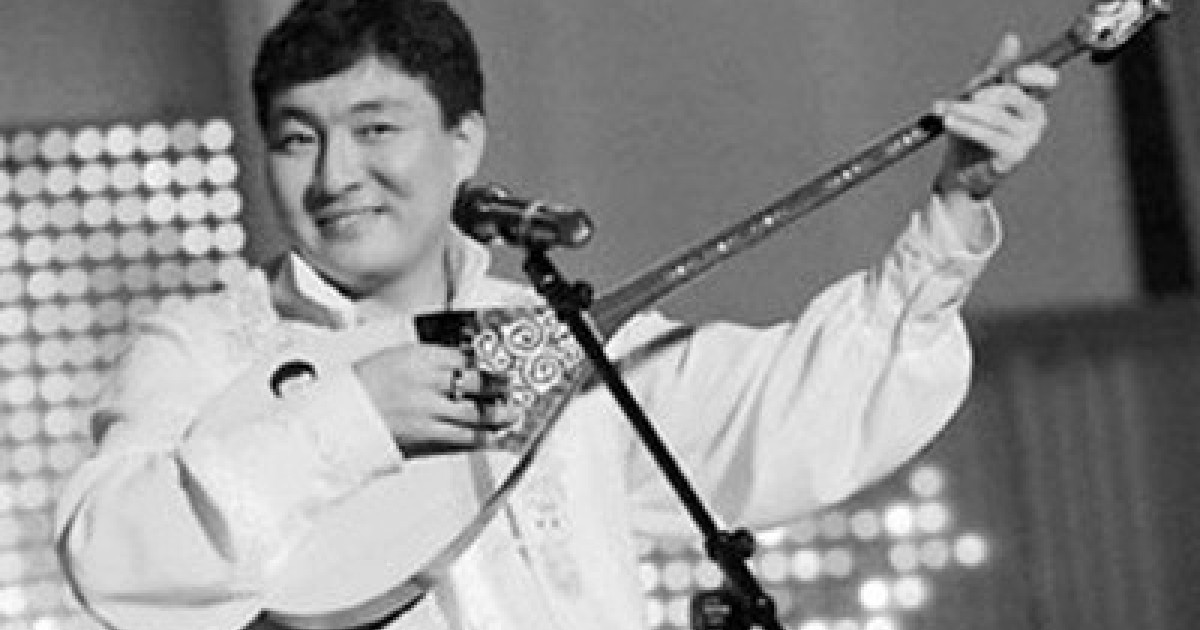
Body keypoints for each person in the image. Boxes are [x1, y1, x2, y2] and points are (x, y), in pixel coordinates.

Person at [54, 1, 1058, 629]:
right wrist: (354, 417)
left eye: (375, 128)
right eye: (296, 139)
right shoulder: (203, 346)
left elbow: (791, 408)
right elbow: (110, 556)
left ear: (464, 142)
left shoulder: (553, 335)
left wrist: (955, 206)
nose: (335, 175)